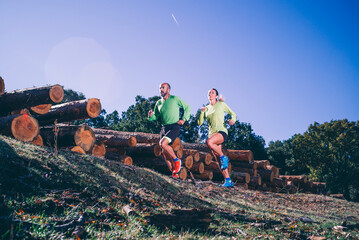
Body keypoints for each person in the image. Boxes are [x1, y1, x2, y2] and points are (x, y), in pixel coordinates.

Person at [148, 83, 191, 178]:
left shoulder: (175, 99)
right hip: (164, 128)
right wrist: (150, 116)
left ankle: (177, 160)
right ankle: (174, 173)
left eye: (163, 88)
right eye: (160, 88)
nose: (161, 90)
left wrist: (184, 119)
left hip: (174, 126)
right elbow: (155, 116)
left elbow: (187, 107)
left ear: (168, 90)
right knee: (164, 152)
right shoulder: (158, 103)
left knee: (163, 144)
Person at [198, 88, 236, 188]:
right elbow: (200, 123)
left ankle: (224, 156)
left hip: (222, 132)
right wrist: (202, 112)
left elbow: (233, 113)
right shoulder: (206, 108)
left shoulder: (221, 104)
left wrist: (233, 120)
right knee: (219, 161)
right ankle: (228, 181)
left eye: (212, 93)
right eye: (209, 93)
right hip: (212, 134)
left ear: (216, 96)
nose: (210, 94)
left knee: (209, 142)